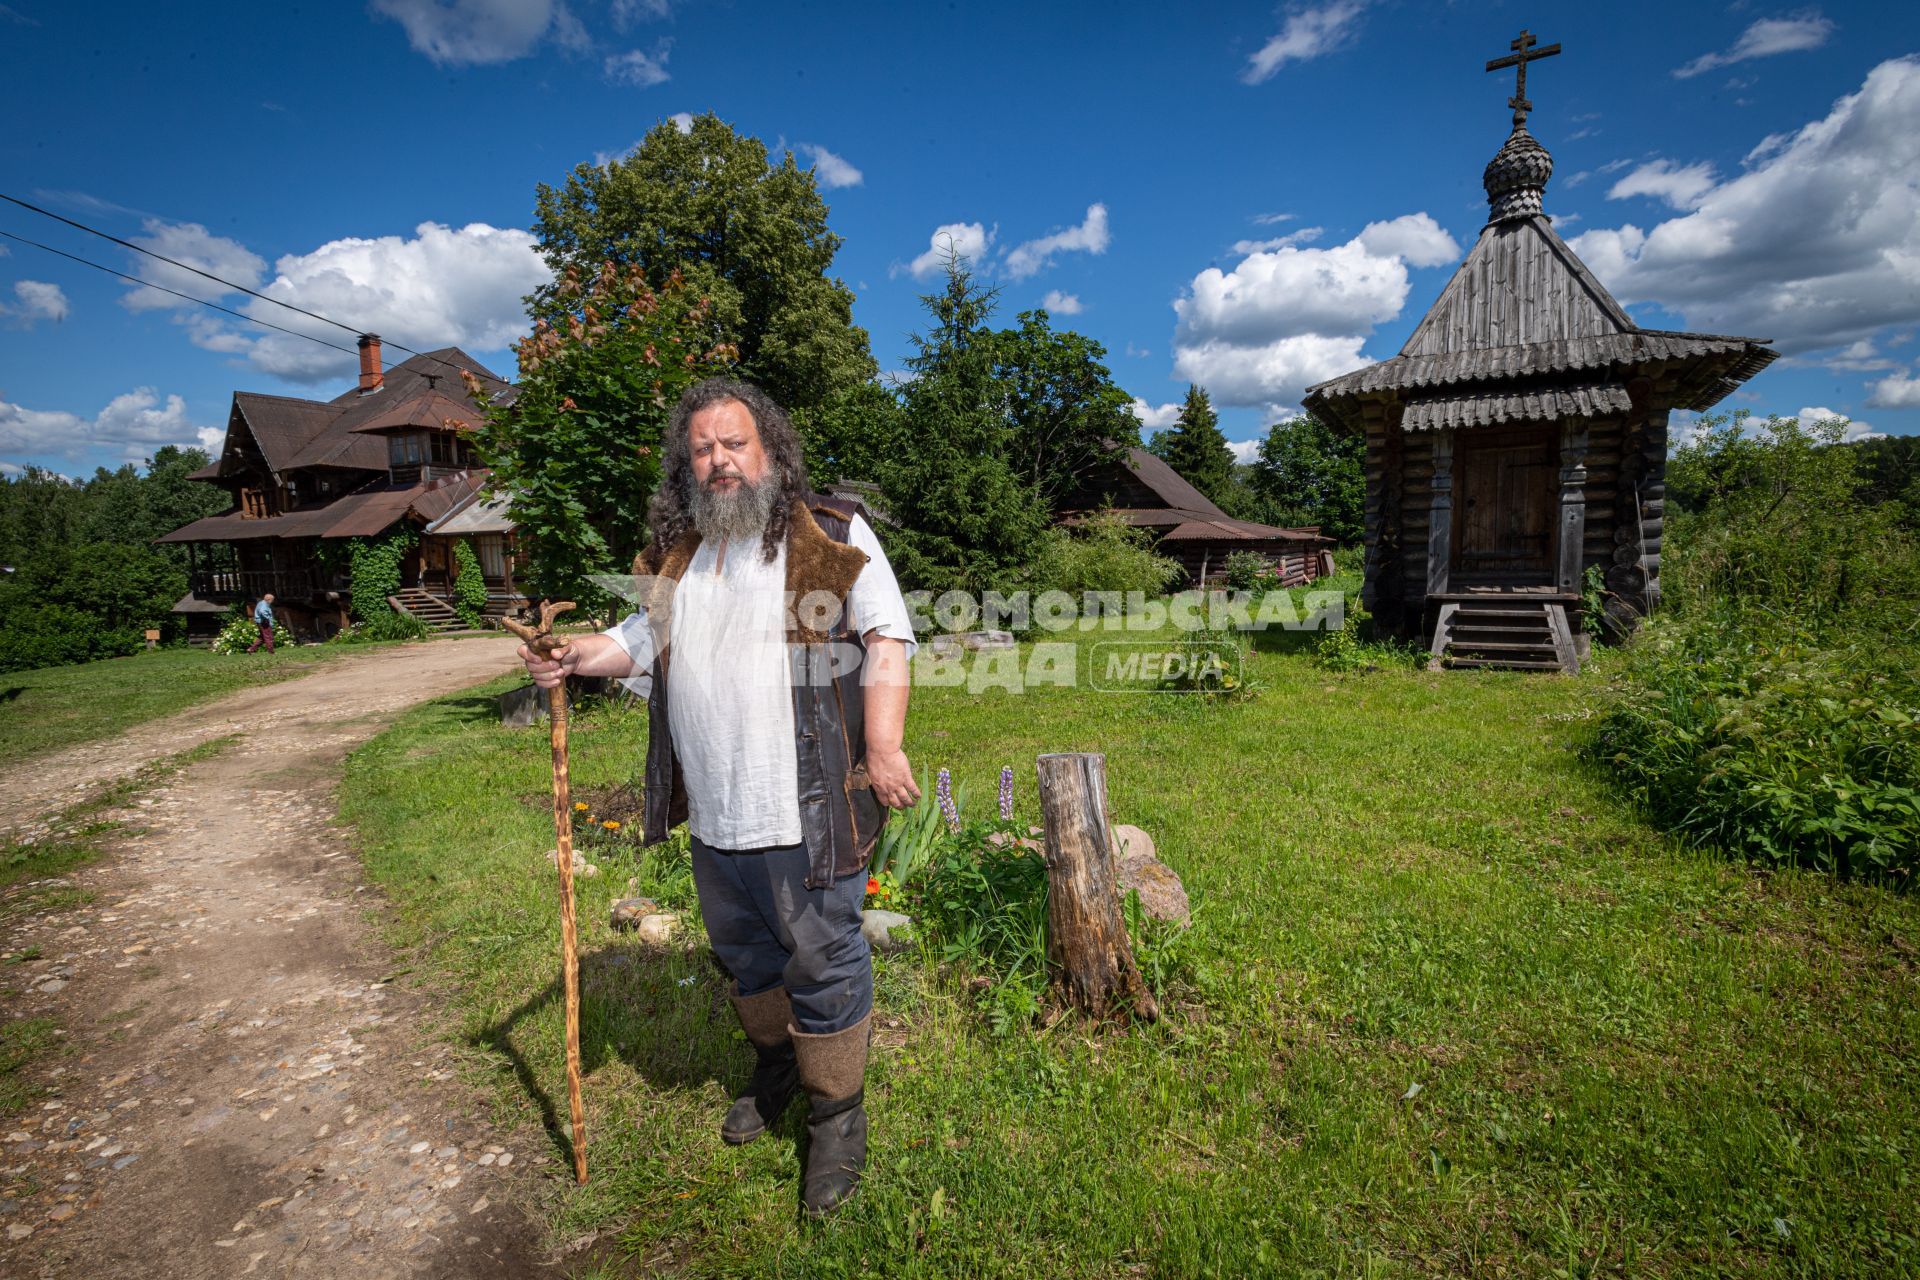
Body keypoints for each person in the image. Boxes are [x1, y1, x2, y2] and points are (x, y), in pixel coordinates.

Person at [518, 378, 919, 1215]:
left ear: (768, 450)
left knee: (824, 957)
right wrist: (569, 656)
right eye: (702, 449)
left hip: (808, 805)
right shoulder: (680, 553)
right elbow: (633, 645)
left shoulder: (830, 532)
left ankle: (836, 1116)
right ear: (687, 466)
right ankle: (777, 1067)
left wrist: (883, 746)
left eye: (733, 443)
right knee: (746, 959)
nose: (719, 460)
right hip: (719, 810)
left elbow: (886, 634)